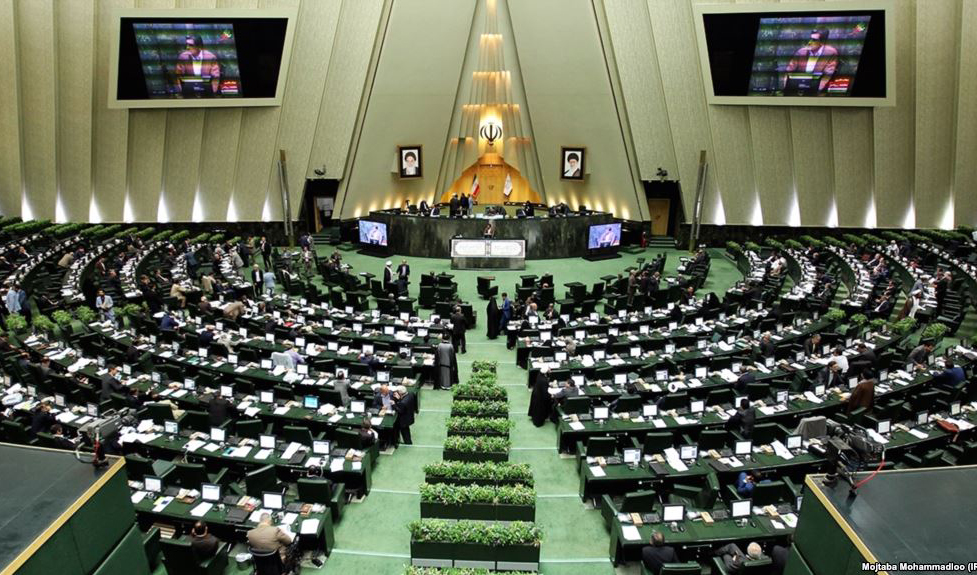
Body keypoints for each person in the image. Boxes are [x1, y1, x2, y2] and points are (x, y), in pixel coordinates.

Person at [783, 29, 838, 93]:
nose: (809, 42)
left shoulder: (831, 53)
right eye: (810, 39)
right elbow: (788, 72)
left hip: (817, 91)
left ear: (822, 42)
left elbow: (827, 75)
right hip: (798, 89)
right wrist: (786, 89)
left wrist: (816, 91)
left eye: (814, 40)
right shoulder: (801, 52)